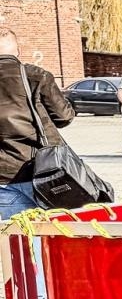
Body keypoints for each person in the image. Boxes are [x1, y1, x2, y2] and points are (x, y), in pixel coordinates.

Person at [0, 29, 74, 220]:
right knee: (56, 236)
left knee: (16, 241)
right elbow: (64, 117)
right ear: (18, 51)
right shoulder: (36, 75)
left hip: (3, 176)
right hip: (45, 171)